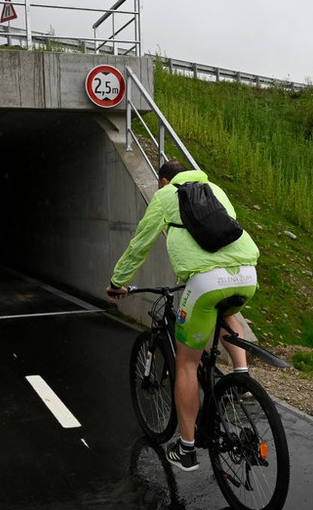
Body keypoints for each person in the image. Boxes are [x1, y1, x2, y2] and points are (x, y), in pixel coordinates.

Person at [106, 159, 259, 472]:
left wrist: (118, 282)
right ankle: (241, 378)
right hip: (246, 274)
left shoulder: (165, 196)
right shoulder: (214, 189)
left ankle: (187, 449)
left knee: (187, 363)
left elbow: (140, 244)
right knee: (225, 314)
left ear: (163, 181)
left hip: (205, 283)